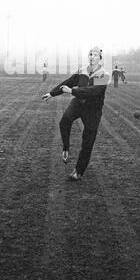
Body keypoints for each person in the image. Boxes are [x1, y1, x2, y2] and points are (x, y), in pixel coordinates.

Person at [42, 46, 109, 181]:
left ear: (100, 58)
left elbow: (92, 91)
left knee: (88, 140)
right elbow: (68, 83)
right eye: (90, 54)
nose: (92, 56)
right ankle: (66, 149)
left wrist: (71, 91)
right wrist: (52, 93)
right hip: (78, 103)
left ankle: (78, 171)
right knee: (65, 121)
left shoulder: (104, 75)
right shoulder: (81, 71)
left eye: (95, 55)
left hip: (93, 110)